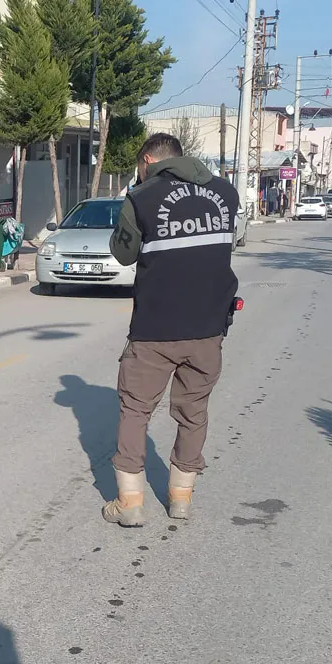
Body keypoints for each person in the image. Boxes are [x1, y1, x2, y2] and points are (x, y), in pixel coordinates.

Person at [105, 133, 239, 527]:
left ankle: (130, 504)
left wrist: (134, 200)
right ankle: (181, 498)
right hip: (208, 326)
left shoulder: (142, 197)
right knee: (194, 412)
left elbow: (123, 252)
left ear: (147, 160)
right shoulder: (226, 194)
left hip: (154, 329)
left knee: (135, 411)